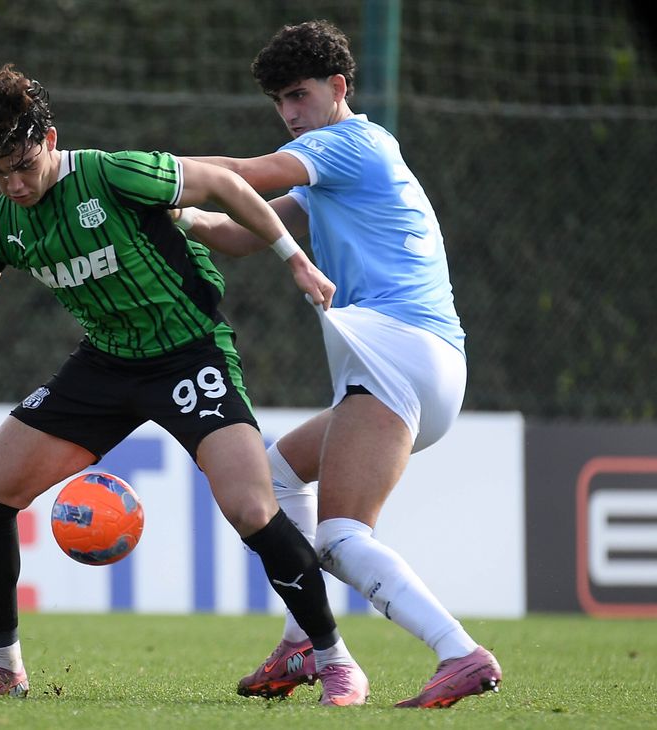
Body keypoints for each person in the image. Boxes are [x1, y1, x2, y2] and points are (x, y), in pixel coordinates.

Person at [0, 64, 372, 705]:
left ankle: (334, 661)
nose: (16, 183)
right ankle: (2, 670)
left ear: (49, 139)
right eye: (0, 172)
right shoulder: (0, 228)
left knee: (250, 506)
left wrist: (293, 259)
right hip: (104, 368)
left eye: (24, 164)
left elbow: (219, 183)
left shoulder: (110, 173)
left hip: (190, 355)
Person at [173, 21, 503, 708]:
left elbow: (250, 175)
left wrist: (149, 173)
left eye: (299, 96)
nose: (290, 114)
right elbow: (242, 228)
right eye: (279, 102)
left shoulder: (349, 144)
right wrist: (184, 219)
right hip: (419, 360)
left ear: (339, 87)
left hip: (400, 354)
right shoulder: (334, 168)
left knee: (341, 536)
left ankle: (458, 651)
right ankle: (303, 643)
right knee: (274, 472)